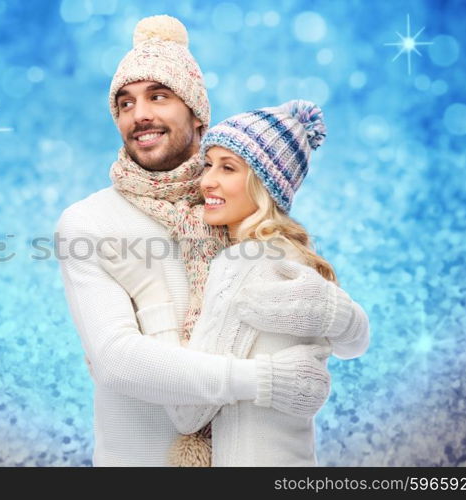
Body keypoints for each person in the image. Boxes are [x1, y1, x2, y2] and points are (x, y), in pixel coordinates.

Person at [55, 14, 364, 467]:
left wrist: (335, 313)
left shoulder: (235, 207)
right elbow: (116, 360)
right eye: (124, 103)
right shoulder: (89, 222)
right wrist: (264, 379)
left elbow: (332, 329)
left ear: (197, 115)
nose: (139, 114)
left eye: (158, 96)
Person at [98, 100, 370, 466]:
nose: (207, 180)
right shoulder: (296, 258)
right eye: (208, 164)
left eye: (228, 168)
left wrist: (149, 293)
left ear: (265, 185)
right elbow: (355, 342)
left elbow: (186, 411)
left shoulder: (243, 263)